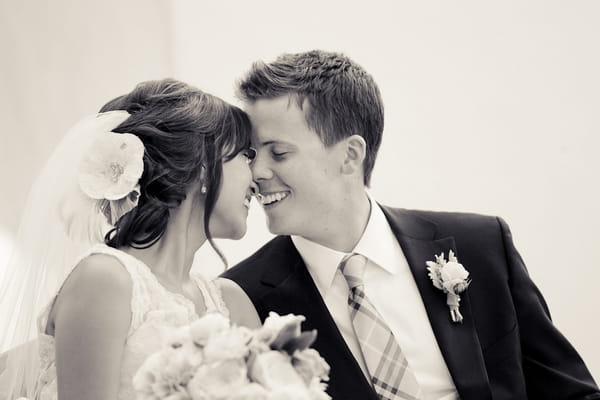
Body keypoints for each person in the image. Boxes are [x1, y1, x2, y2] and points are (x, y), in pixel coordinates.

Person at [221, 50, 600, 400]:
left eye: (279, 153)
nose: (256, 172)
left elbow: (571, 393)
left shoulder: (481, 246)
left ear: (350, 155)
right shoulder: (244, 298)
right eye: (252, 154)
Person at [0, 78, 260, 400]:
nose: (257, 179)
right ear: (205, 167)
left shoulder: (233, 303)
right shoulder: (105, 280)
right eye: (246, 156)